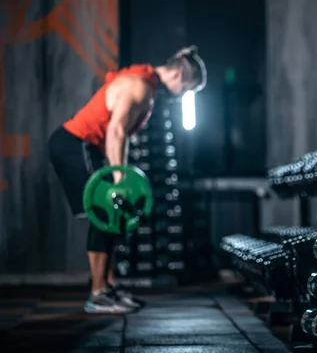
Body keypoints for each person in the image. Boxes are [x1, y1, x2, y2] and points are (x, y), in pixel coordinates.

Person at [48, 46, 206, 313]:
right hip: (74, 144)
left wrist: (120, 176)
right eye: (187, 89)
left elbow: (120, 135)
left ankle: (108, 287)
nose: (183, 96)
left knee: (114, 215)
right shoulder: (140, 86)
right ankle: (97, 294)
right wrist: (120, 179)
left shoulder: (146, 83)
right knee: (106, 212)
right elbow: (116, 131)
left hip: (85, 146)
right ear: (178, 75)